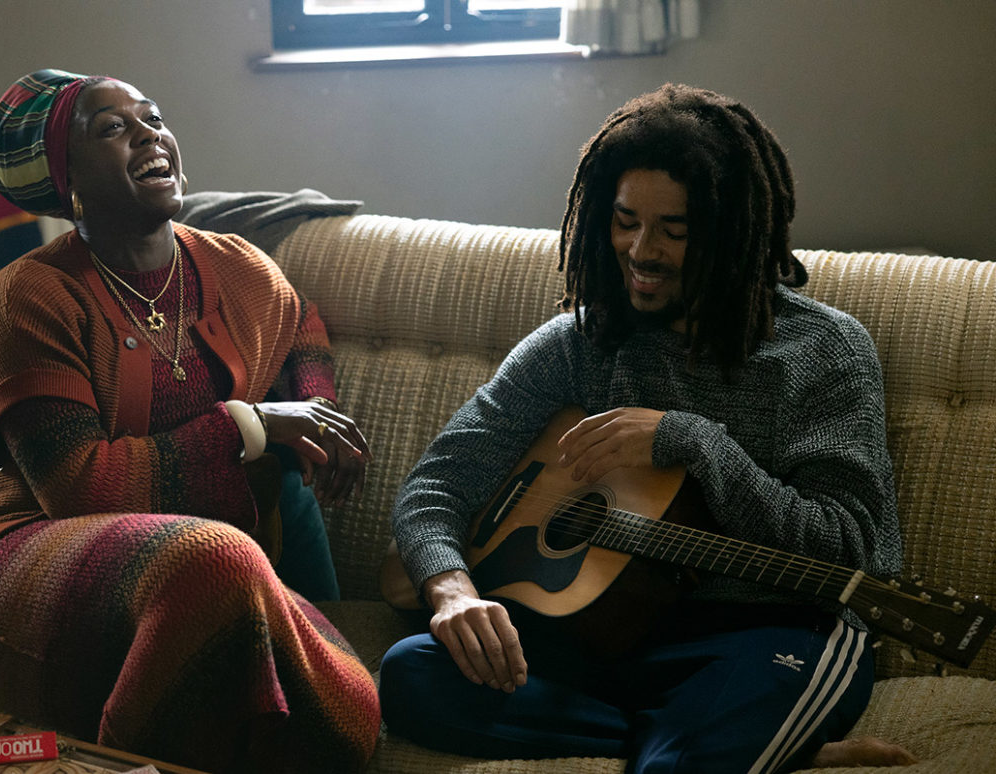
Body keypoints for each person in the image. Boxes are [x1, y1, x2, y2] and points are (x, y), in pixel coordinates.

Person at [379, 84, 916, 773]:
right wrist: (451, 590)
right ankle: (761, 750)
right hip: (601, 637)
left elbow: (851, 546)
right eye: (625, 220)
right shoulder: (579, 343)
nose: (641, 250)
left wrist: (696, 442)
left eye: (675, 229)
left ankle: (701, 743)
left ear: (732, 232)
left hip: (770, 632)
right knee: (411, 675)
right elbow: (438, 484)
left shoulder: (823, 352)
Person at [0, 69, 380, 773]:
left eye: (153, 118)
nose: (148, 133)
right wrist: (251, 423)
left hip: (211, 577)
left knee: (342, 710)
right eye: (112, 128)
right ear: (67, 175)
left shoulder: (234, 265)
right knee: (215, 556)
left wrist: (316, 411)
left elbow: (301, 323)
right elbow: (80, 490)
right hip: (47, 558)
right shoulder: (28, 298)